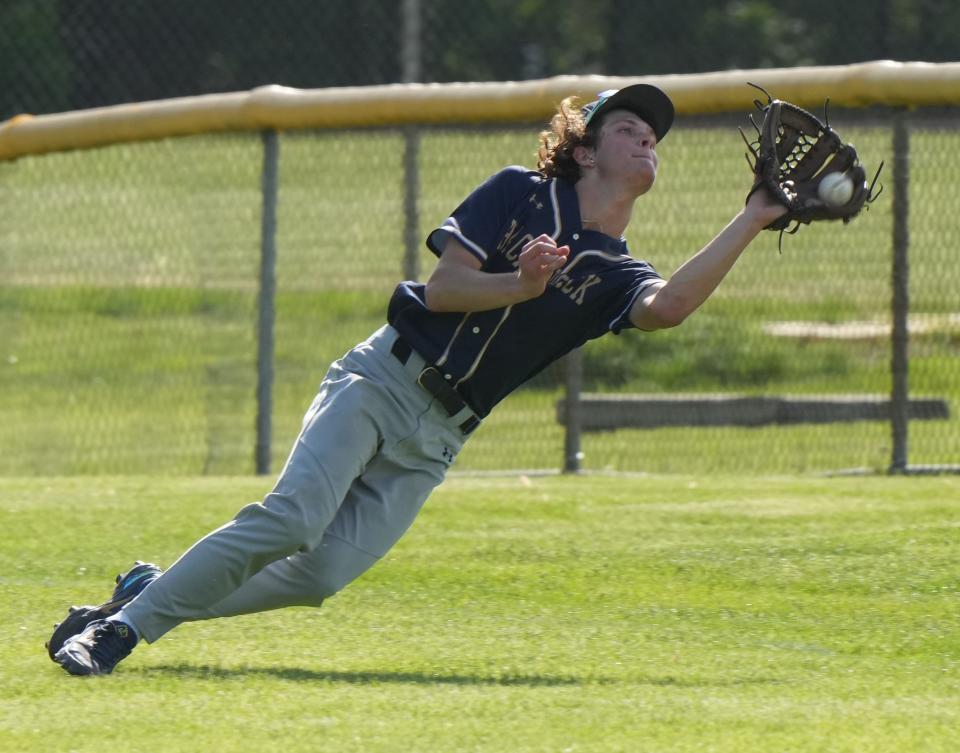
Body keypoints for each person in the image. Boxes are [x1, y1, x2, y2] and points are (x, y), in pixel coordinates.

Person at [53, 84, 787, 675]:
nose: (648, 138)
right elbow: (441, 290)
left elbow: (670, 306)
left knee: (319, 574)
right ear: (586, 148)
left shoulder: (615, 270)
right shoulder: (520, 194)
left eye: (653, 135)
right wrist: (520, 286)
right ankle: (119, 633)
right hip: (382, 380)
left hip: (439, 435)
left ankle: (153, 592)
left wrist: (754, 216)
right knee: (295, 519)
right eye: (629, 126)